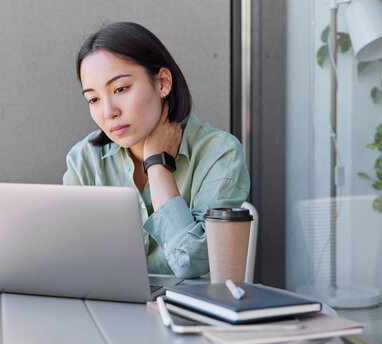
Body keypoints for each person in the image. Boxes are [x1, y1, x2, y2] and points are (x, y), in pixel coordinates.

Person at [63, 22, 250, 279]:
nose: (108, 113)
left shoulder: (220, 154)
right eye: (93, 99)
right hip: (106, 311)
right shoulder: (84, 159)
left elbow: (192, 265)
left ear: (162, 83)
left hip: (188, 316)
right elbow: (69, 262)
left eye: (120, 89)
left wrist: (157, 164)